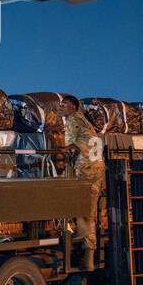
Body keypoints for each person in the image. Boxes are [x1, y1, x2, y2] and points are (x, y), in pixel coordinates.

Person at [57, 94, 104, 271]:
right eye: (60, 104)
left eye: (65, 104)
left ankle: (76, 238)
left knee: (77, 206)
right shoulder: (84, 120)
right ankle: (88, 257)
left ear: (74, 108)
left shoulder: (72, 120)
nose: (61, 107)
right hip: (97, 168)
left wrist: (60, 151)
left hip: (86, 168)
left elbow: (72, 147)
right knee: (89, 212)